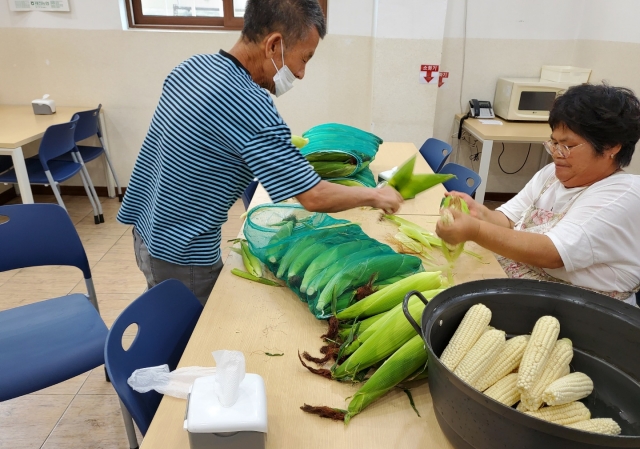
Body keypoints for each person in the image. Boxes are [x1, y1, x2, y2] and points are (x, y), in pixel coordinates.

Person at [117, 0, 403, 305]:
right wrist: (376, 196)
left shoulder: (192, 67)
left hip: (146, 230)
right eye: (304, 59)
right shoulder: (248, 103)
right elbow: (314, 196)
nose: (302, 73)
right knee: (188, 339)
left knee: (162, 307)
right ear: (274, 45)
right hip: (183, 252)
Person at [436, 83, 640, 305]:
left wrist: (475, 230)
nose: (556, 154)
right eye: (553, 142)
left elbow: (551, 253)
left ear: (611, 147)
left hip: (581, 307)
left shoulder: (622, 194)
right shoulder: (553, 175)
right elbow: (507, 220)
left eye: (567, 146)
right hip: (525, 282)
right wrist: (480, 213)